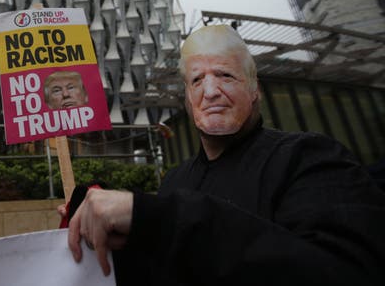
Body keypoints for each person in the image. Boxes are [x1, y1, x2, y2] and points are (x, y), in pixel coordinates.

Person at [65, 24, 385, 285]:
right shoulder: (177, 179)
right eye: (197, 80)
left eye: (225, 75)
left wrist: (160, 218)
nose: (211, 92)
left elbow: (342, 273)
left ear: (254, 87)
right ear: (188, 99)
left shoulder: (310, 158)